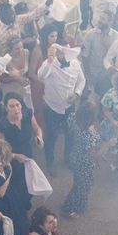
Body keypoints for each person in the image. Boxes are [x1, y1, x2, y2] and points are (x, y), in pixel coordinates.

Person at [61, 102, 115, 217]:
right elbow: (94, 155)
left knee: (79, 183)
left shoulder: (73, 118)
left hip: (75, 156)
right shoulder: (90, 136)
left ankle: (79, 205)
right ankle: (68, 208)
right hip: (85, 164)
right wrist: (108, 145)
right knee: (81, 186)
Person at [38, 45, 86, 176]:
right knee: (51, 136)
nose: (68, 57)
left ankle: (68, 158)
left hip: (69, 107)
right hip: (51, 107)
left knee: (71, 134)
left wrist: (76, 94)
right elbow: (40, 75)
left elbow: (82, 81)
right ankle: (50, 162)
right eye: (65, 54)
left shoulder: (76, 63)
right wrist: (48, 60)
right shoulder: (50, 64)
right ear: (58, 54)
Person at [0, 92, 43, 210]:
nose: (16, 109)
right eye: (12, 106)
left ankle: (26, 200)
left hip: (27, 154)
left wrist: (39, 138)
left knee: (29, 181)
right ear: (6, 108)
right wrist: (15, 156)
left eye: (18, 105)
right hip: (11, 161)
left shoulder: (28, 114)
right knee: (17, 186)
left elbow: (37, 129)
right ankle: (18, 206)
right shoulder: (1, 126)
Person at [81, 10, 118, 98]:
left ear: (110, 22)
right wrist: (87, 74)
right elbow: (84, 55)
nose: (99, 20)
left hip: (107, 76)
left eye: (103, 19)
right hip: (92, 74)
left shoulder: (117, 37)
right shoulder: (90, 34)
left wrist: (107, 46)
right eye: (100, 17)